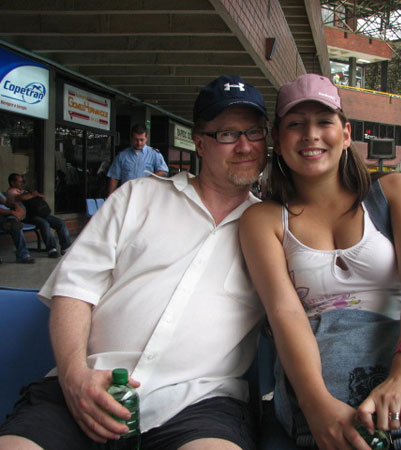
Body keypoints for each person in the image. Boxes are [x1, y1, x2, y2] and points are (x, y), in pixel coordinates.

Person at [0, 74, 270, 450]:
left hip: (199, 404)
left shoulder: (272, 230)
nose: (244, 145)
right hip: (89, 385)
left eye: (254, 132)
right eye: (227, 134)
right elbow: (74, 289)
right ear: (200, 142)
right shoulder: (137, 197)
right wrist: (74, 376)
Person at [240, 74, 401, 450]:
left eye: (324, 122)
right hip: (317, 386)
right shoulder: (263, 220)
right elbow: (284, 313)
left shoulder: (395, 192)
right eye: (295, 124)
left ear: (345, 134)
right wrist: (316, 405)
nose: (311, 135)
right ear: (277, 138)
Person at [6, 173, 71, 258]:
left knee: (60, 223)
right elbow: (21, 198)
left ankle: (66, 247)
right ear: (12, 182)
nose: (21, 183)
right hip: (26, 216)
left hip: (38, 213)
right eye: (19, 182)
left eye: (22, 181)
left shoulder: (22, 190)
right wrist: (33, 194)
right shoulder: (11, 191)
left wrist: (35, 195)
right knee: (44, 223)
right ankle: (51, 249)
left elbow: (32, 197)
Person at [106, 123, 168, 195]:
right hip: (127, 195)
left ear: (146, 138)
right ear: (131, 138)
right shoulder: (122, 156)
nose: (139, 143)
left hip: (147, 195)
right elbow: (114, 177)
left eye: (142, 140)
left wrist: (148, 179)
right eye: (136, 140)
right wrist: (110, 197)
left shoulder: (154, 154)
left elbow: (163, 171)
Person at [0, 191, 34, 264]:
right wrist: (12, 212)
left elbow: (5, 202)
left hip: (5, 216)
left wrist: (15, 206)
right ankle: (10, 223)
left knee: (16, 226)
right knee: (14, 223)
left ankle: (23, 256)